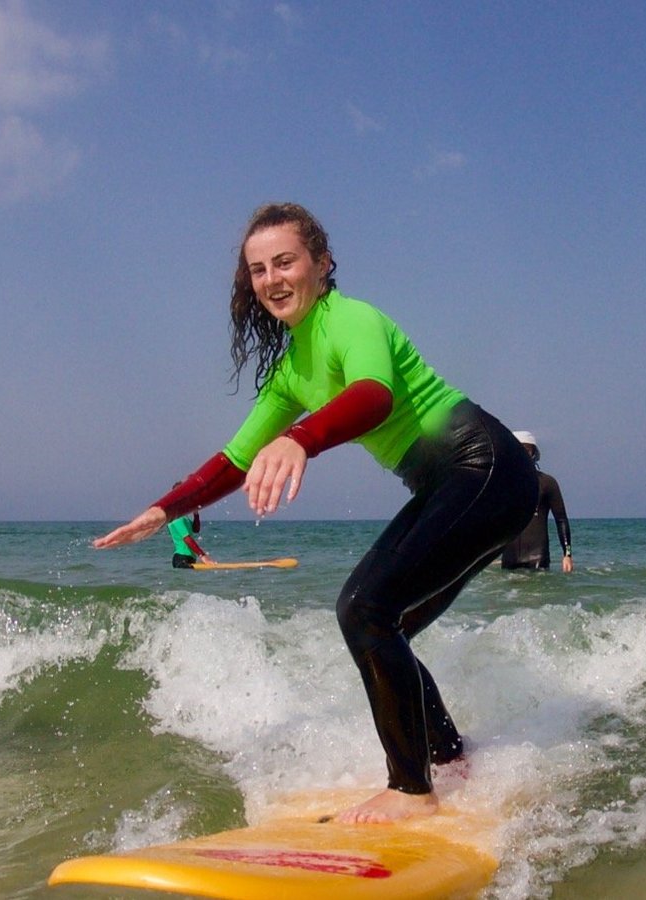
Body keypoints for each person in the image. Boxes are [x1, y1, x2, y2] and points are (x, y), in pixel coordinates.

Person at [93, 202, 538, 824]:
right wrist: (167, 507)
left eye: (285, 262)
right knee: (385, 622)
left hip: (484, 467)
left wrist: (301, 438)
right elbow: (235, 459)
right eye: (257, 270)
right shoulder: (289, 372)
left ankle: (411, 791)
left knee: (364, 608)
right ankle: (451, 761)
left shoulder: (353, 319)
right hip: (454, 486)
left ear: (322, 264)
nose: (272, 278)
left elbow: (373, 396)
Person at [500, 431, 573, 573]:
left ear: (534, 453)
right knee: (508, 595)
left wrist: (567, 554)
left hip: (537, 559)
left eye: (527, 450)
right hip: (509, 559)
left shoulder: (547, 483)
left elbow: (561, 519)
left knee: (537, 594)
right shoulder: (502, 484)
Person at [166, 483, 213, 568]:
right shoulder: (176, 517)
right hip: (181, 558)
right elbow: (187, 539)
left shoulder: (183, 516)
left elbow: (195, 529)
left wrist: (195, 513)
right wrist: (202, 555)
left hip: (190, 558)